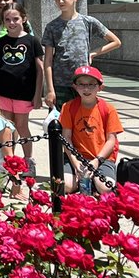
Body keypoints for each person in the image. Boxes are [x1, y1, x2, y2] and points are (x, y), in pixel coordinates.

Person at [41, 0, 121, 108]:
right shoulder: (52, 26)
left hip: (84, 83)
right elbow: (48, 60)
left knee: (84, 121)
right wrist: (50, 89)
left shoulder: (88, 22)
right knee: (61, 122)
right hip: (61, 83)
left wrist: (93, 53)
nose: (60, 1)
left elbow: (115, 41)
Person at [0, 3, 43, 177]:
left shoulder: (32, 41)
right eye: (7, 19)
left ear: (24, 19)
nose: (11, 23)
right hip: (3, 92)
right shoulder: (0, 42)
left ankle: (28, 160)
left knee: (21, 126)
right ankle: (9, 162)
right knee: (7, 128)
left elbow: (40, 69)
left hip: (24, 94)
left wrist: (38, 94)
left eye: (15, 19)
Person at [59, 65, 123, 196]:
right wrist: (75, 163)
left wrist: (96, 161)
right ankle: (83, 179)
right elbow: (66, 138)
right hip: (76, 157)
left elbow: (111, 140)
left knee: (106, 188)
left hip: (102, 158)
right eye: (81, 84)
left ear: (100, 87)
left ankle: (94, 181)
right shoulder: (68, 107)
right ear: (75, 86)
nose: (86, 88)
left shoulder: (108, 109)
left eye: (91, 84)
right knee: (65, 185)